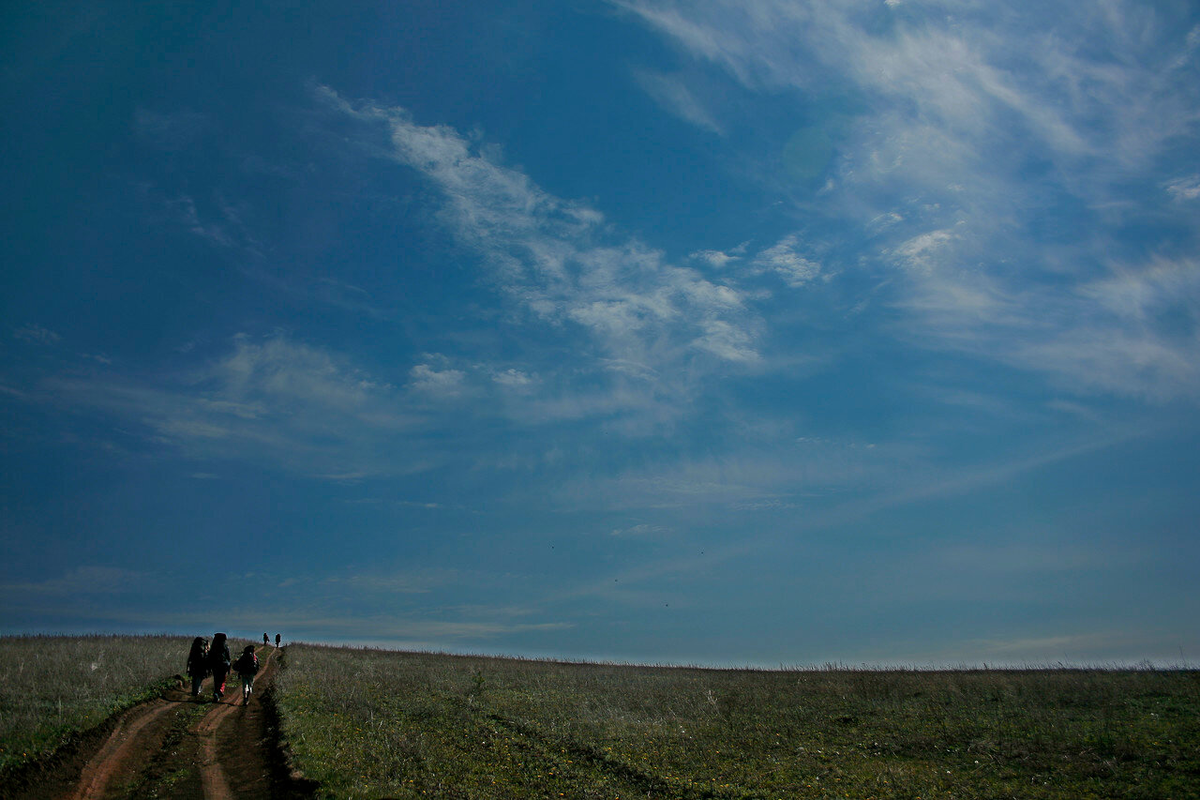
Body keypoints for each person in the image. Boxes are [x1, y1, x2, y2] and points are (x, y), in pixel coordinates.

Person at [208, 632, 232, 703]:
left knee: (216, 679)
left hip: (215, 665)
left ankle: (216, 692)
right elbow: (228, 657)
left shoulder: (214, 646)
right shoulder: (225, 646)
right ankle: (219, 691)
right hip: (223, 665)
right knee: (222, 679)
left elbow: (210, 656)